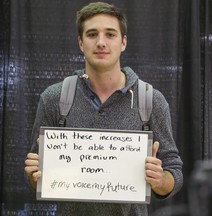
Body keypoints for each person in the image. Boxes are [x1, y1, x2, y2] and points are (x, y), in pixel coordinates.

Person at [24, 1, 183, 215]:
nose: (101, 42)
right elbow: (36, 177)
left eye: (110, 34)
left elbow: (174, 172)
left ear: (123, 42)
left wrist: (160, 179)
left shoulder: (151, 100)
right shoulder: (54, 98)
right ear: (80, 42)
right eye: (91, 34)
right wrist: (34, 175)